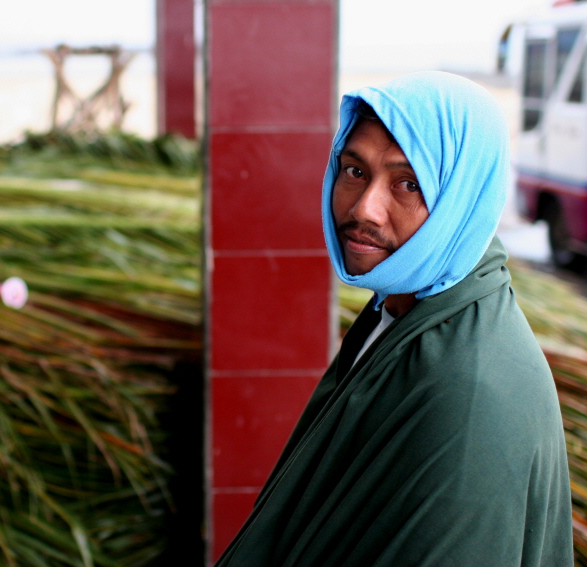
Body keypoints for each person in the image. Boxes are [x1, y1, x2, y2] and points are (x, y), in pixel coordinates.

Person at [214, 71, 573, 566]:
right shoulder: (400, 310)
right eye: (354, 171)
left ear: (463, 198)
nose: (365, 209)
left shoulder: (468, 392)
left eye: (408, 183)